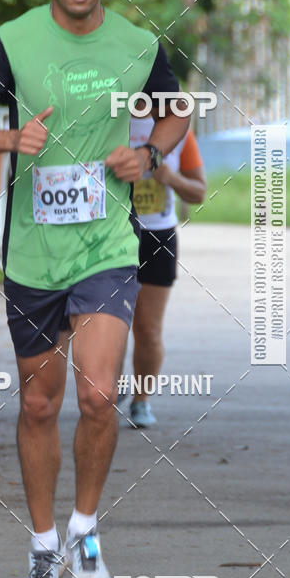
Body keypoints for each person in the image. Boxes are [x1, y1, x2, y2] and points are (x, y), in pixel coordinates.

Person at [0, 0, 189, 578]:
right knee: (38, 403)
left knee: (99, 396)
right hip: (32, 252)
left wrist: (149, 155)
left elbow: (176, 112)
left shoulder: (138, 44)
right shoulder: (13, 41)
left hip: (108, 243)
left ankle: (86, 529)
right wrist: (7, 136)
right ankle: (43, 548)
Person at [126, 124, 206, 428]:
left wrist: (169, 178)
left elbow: (199, 191)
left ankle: (140, 400)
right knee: (108, 327)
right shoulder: (107, 118)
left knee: (147, 329)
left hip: (157, 238)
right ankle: (103, 394)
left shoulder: (178, 131)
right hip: (109, 235)